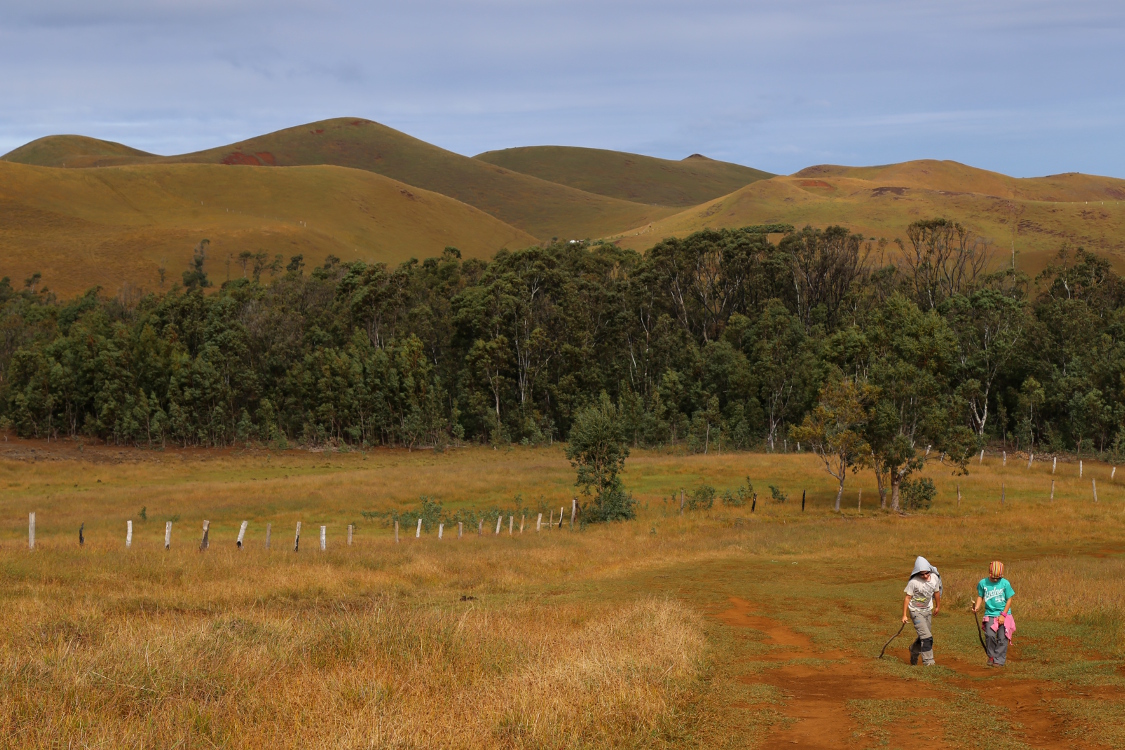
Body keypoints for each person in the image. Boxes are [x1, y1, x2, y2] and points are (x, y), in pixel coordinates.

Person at [972, 561, 1016, 667]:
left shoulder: (1005, 583)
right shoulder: (983, 583)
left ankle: (999, 661)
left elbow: (1009, 599)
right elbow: (980, 596)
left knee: (1002, 638)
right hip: (990, 614)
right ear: (989, 573)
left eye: (998, 578)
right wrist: (977, 606)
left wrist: (1003, 615)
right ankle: (991, 656)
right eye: (994, 578)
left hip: (1004, 614)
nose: (996, 580)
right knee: (989, 635)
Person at [903, 556, 942, 665]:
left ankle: (913, 650)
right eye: (922, 574)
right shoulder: (914, 582)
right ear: (917, 573)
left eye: (927, 573)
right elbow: (907, 598)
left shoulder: (934, 578)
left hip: (927, 610)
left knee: (924, 635)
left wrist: (938, 606)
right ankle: (928, 662)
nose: (925, 576)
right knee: (927, 637)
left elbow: (936, 592)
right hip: (915, 611)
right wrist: (904, 615)